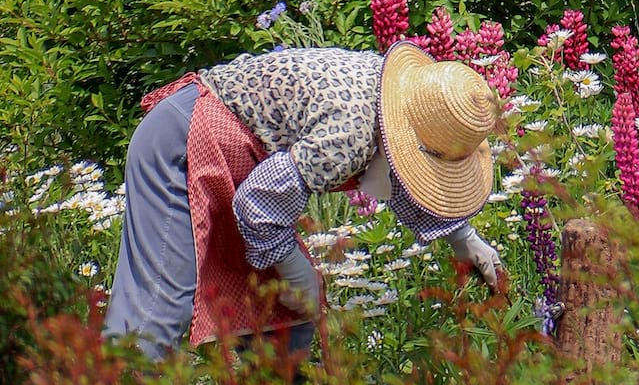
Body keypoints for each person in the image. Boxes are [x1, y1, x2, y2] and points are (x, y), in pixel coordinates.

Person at [104, 41, 504, 361]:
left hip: (238, 159)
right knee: (157, 312)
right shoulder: (350, 135)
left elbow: (404, 173)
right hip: (181, 145)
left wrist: (462, 237)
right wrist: (298, 274)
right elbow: (258, 205)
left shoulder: (397, 99)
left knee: (283, 320)